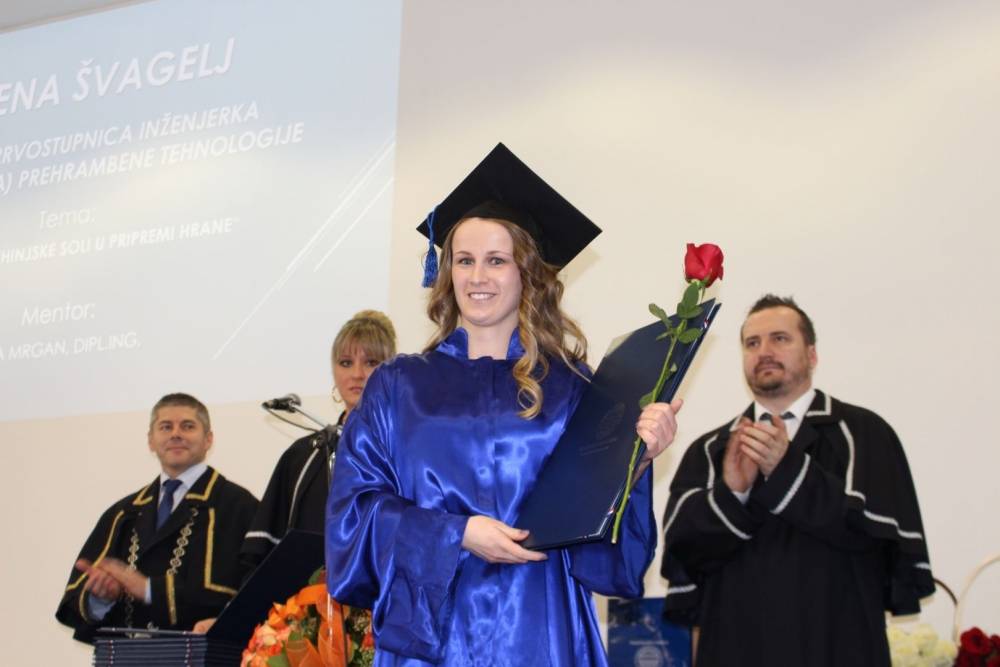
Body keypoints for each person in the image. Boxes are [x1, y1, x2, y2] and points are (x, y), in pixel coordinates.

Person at [325, 143, 684, 666]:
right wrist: (456, 533)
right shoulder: (398, 387)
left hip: (541, 625)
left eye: (497, 261)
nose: (477, 278)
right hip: (433, 638)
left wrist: (636, 462)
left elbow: (607, 554)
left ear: (527, 273)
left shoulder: (574, 388)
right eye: (464, 260)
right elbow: (353, 514)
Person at [660, 295, 934, 666]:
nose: (764, 351)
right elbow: (683, 552)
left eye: (780, 338)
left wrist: (787, 469)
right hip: (734, 648)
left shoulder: (864, 432)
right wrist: (733, 493)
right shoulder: (709, 449)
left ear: (812, 354)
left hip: (840, 646)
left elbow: (876, 538)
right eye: (752, 343)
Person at [56, 393, 259, 644]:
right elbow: (78, 605)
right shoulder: (123, 513)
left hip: (203, 656)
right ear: (151, 441)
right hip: (131, 657)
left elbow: (254, 597)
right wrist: (100, 597)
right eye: (165, 427)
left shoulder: (240, 507)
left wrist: (150, 590)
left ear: (208, 439)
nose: (176, 434)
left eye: (188, 426)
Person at [241, 309, 398, 568]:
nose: (357, 374)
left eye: (371, 362)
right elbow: (263, 557)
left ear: (391, 370)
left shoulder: (408, 450)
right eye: (345, 363)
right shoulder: (303, 456)